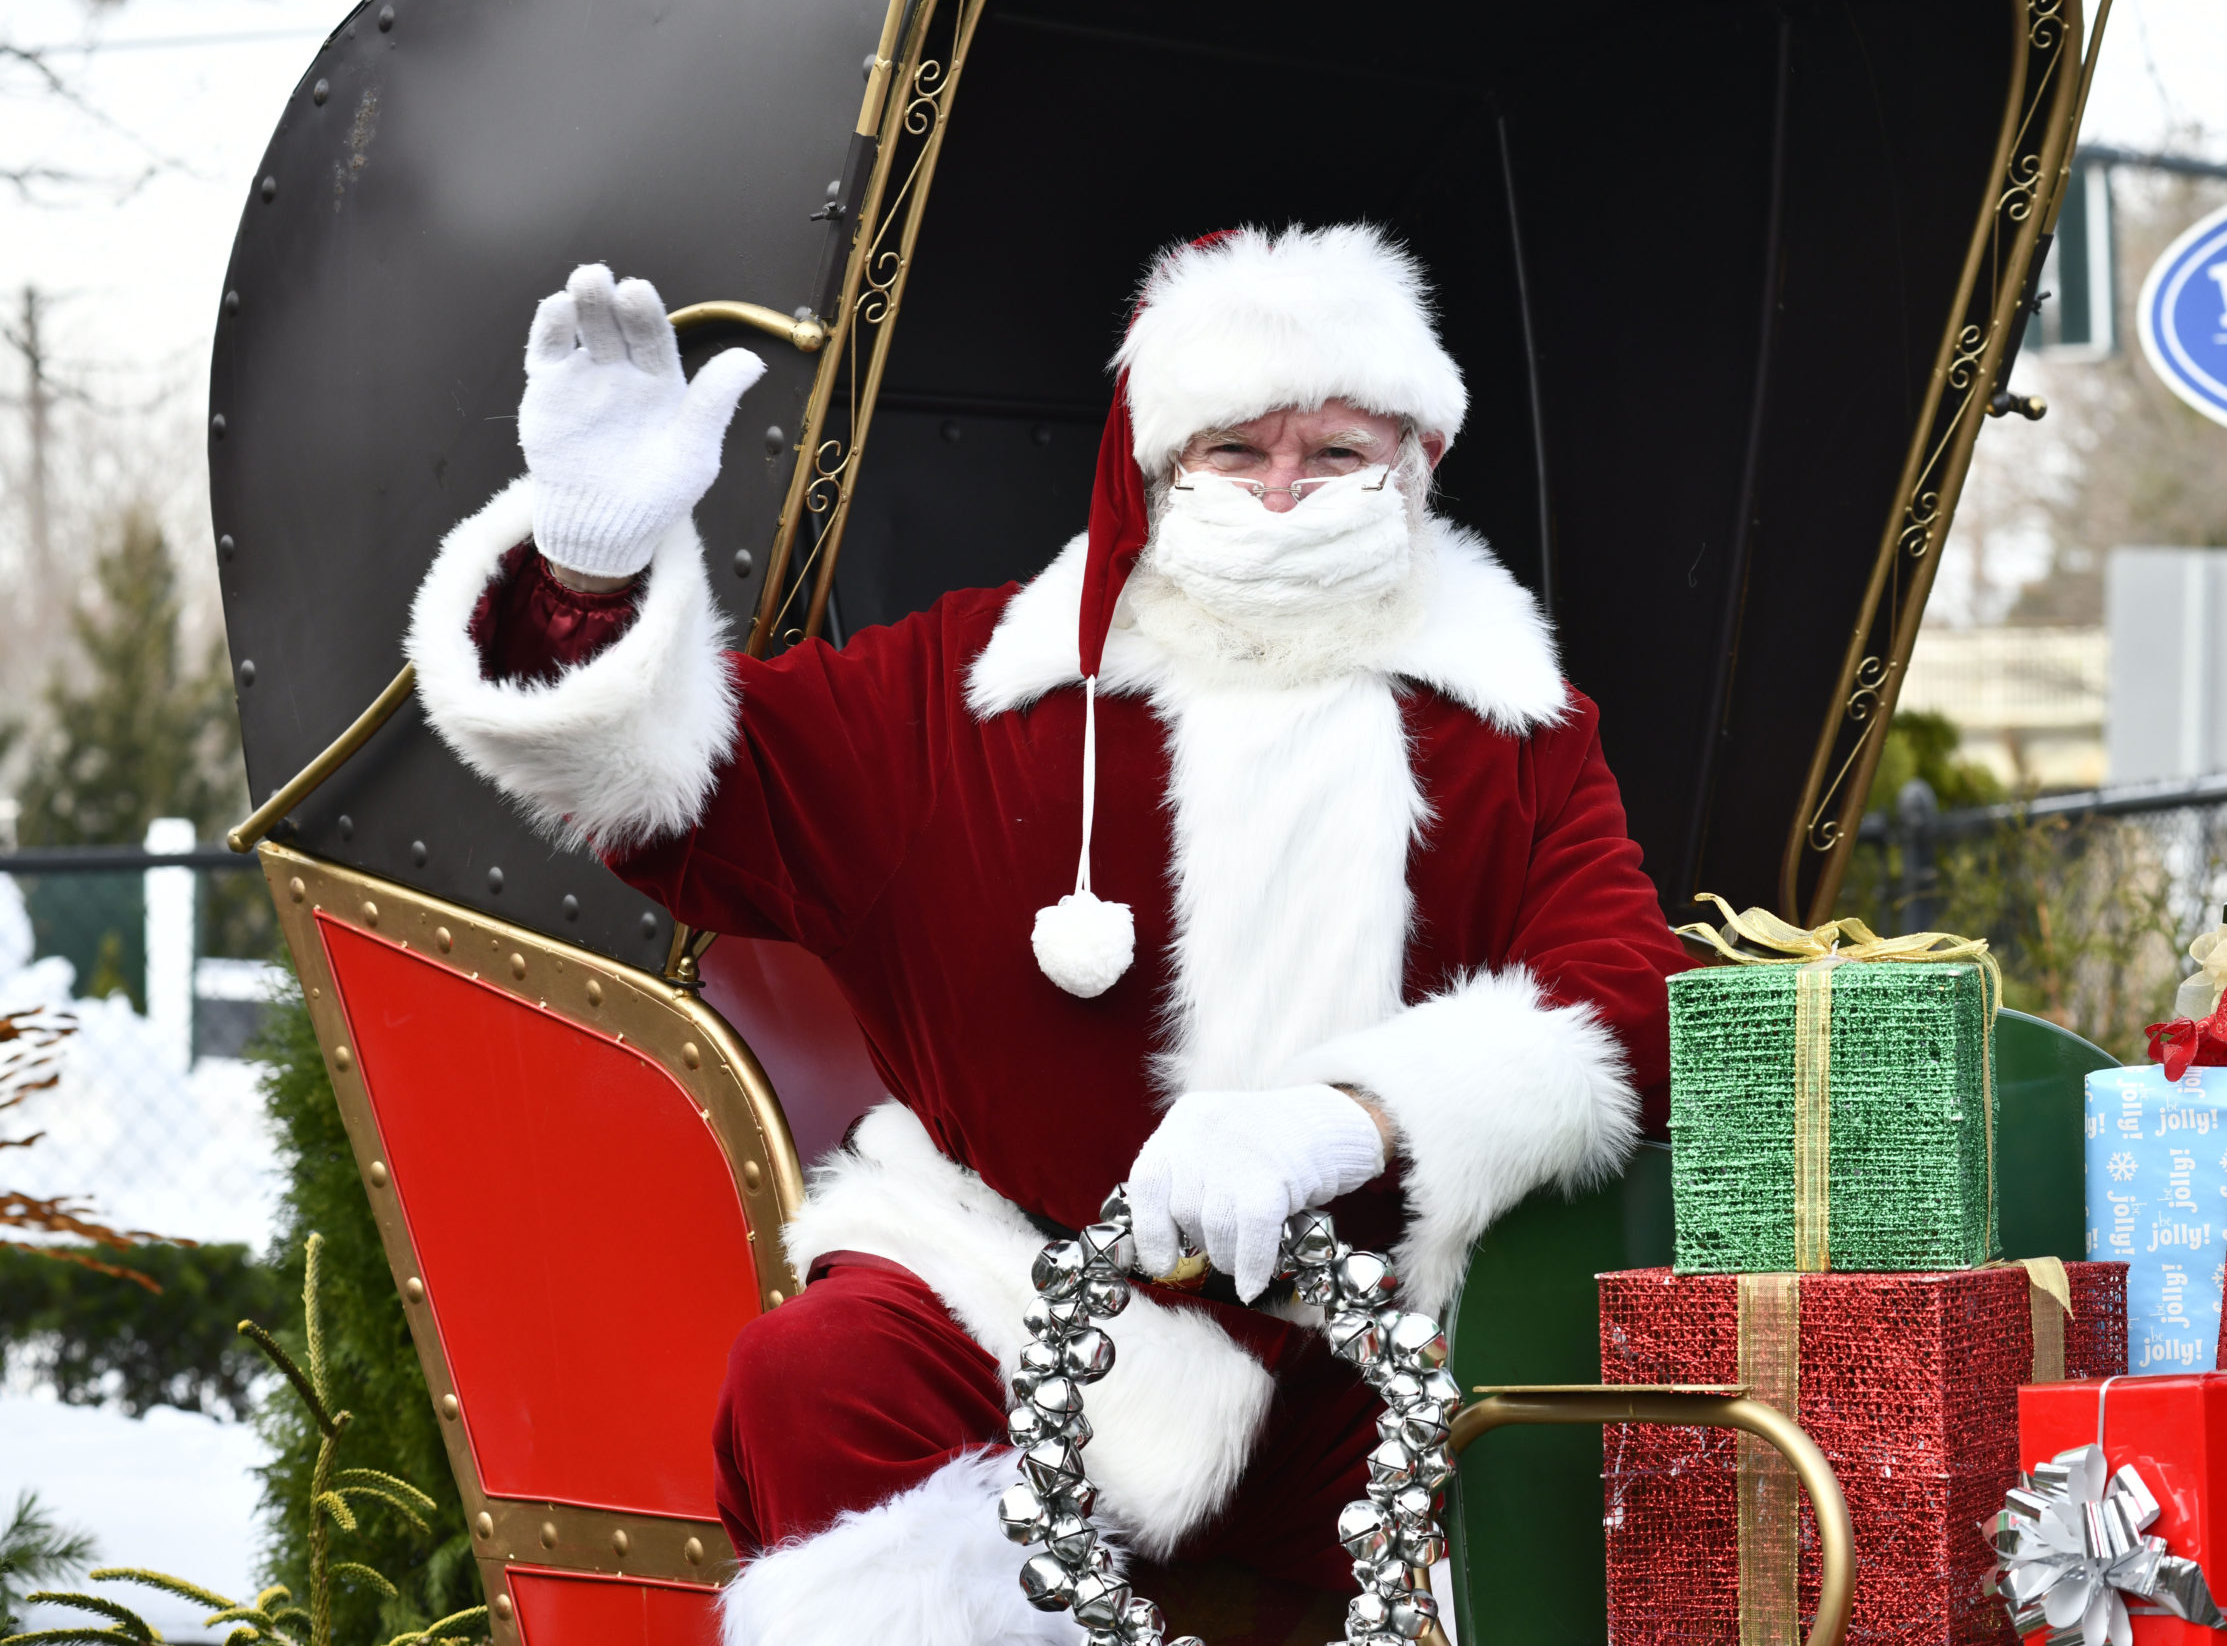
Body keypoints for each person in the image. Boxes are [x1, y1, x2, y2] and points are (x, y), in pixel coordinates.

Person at [406, 223, 1690, 1644]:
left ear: (1416, 467)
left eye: (1333, 456)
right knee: (816, 1375)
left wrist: (1349, 1124)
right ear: (1155, 467)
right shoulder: (974, 694)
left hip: (1366, 1360)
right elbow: (688, 798)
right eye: (1235, 451)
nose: (1281, 496)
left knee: (1576, 1481)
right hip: (1007, 1298)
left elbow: (1624, 996)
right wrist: (592, 577)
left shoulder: (1512, 733)